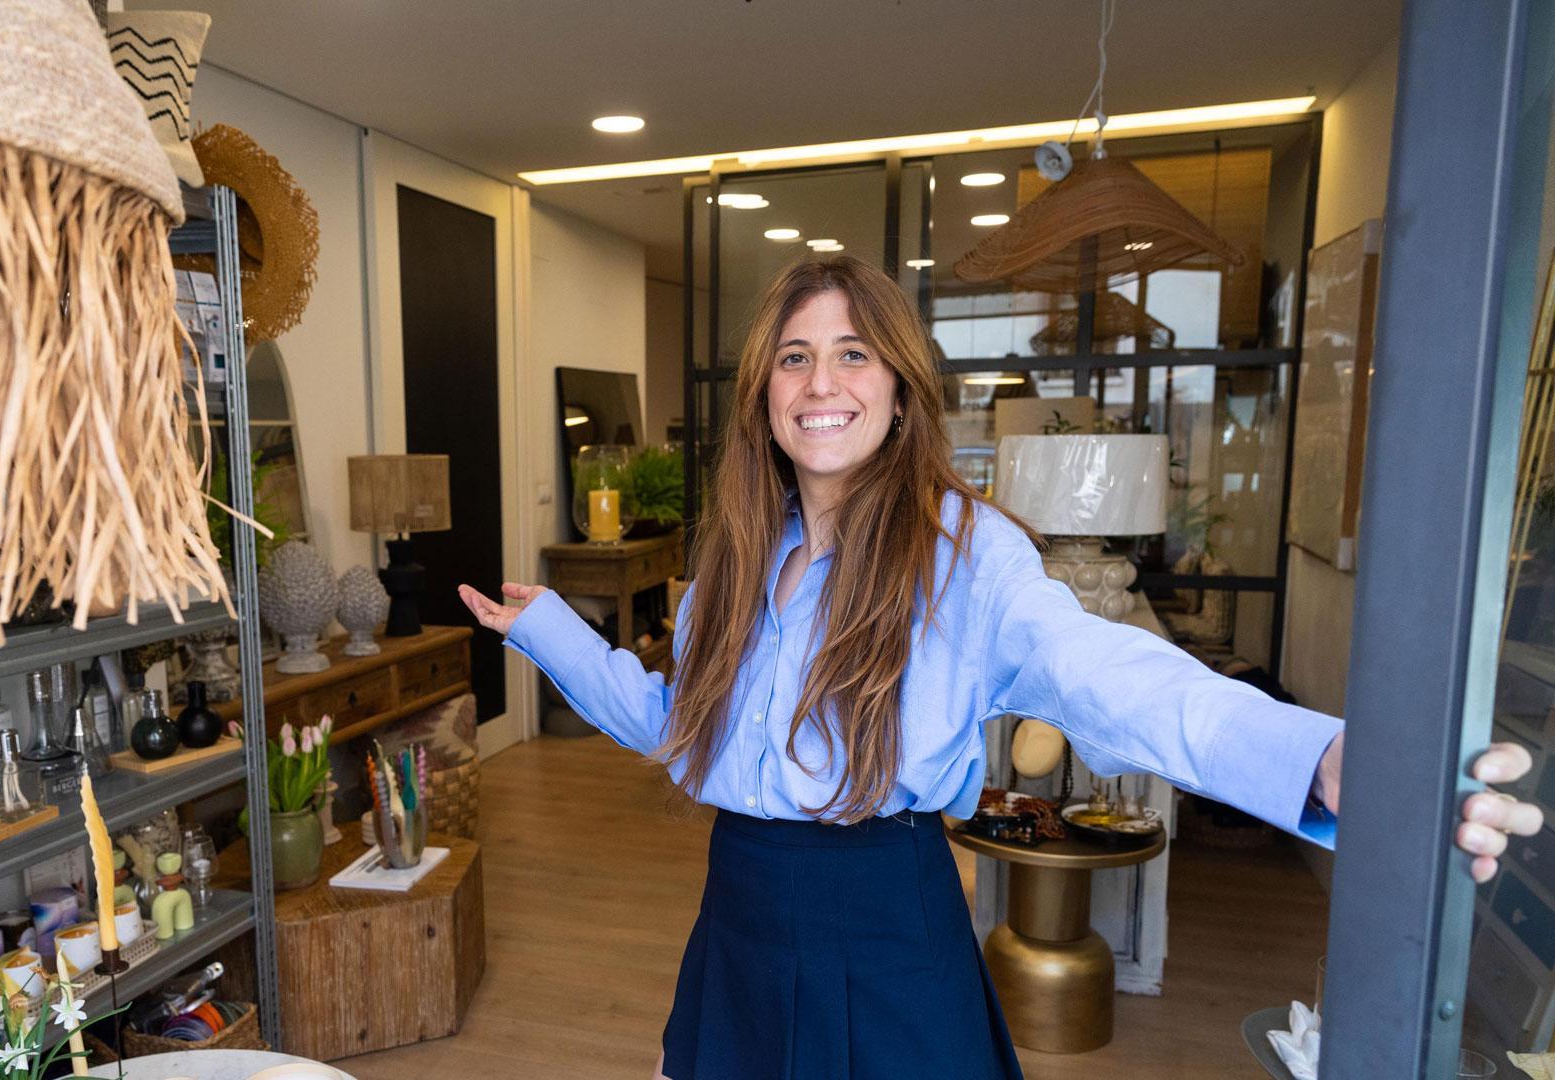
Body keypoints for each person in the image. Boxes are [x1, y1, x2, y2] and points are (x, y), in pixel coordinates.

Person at [459, 256, 1540, 1080]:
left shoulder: (962, 553)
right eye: (794, 356)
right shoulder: (733, 564)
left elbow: (1103, 672)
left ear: (899, 387)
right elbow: (674, 722)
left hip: (889, 926)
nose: (821, 381)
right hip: (738, 919)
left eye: (853, 353)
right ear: (763, 393)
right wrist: (550, 629)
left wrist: (1323, 759)